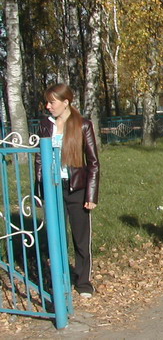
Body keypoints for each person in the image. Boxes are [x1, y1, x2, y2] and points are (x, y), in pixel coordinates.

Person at [35, 83, 100, 299]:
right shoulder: (45, 125)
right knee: (56, 237)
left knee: (81, 239)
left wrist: (91, 196)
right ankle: (60, 280)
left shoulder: (82, 125)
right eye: (47, 102)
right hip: (53, 189)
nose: (48, 106)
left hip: (77, 190)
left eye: (52, 102)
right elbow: (39, 160)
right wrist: (39, 191)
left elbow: (93, 163)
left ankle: (83, 281)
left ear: (65, 102)